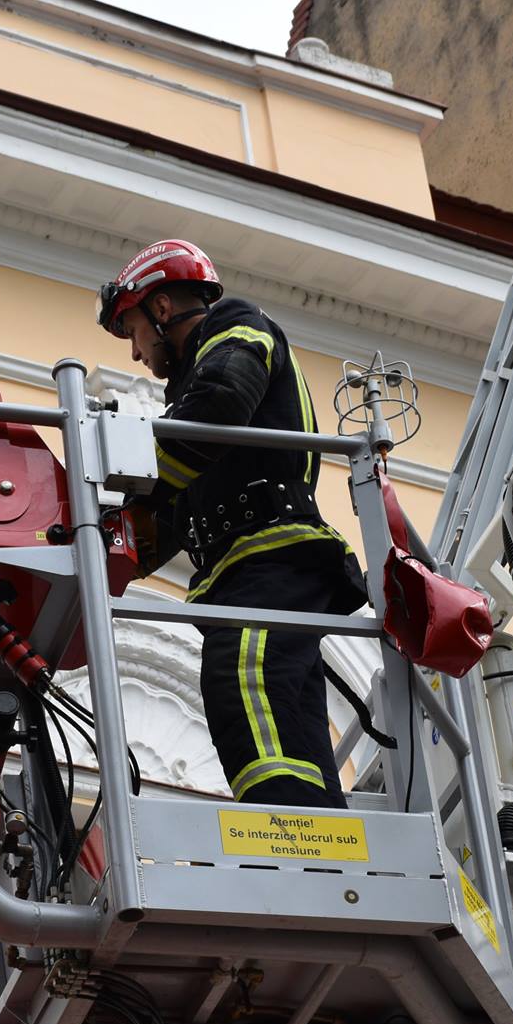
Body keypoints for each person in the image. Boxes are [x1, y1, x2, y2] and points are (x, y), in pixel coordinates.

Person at [95, 239, 367, 809]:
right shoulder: (189, 406)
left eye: (134, 332)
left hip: (273, 558)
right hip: (254, 566)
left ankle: (287, 836)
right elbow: (168, 513)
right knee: (286, 706)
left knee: (240, 678)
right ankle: (325, 832)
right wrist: (94, 545)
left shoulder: (237, 325)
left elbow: (218, 410)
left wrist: (138, 475)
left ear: (162, 309)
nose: (137, 355)